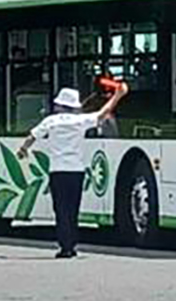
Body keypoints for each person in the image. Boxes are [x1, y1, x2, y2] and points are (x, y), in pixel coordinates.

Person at [17, 83, 129, 259]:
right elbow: (103, 113)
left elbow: (32, 136)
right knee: (73, 209)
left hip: (57, 171)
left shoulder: (51, 121)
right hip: (76, 171)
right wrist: (118, 96)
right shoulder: (80, 121)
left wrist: (23, 150)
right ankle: (72, 245)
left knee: (61, 210)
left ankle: (65, 246)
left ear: (60, 105)